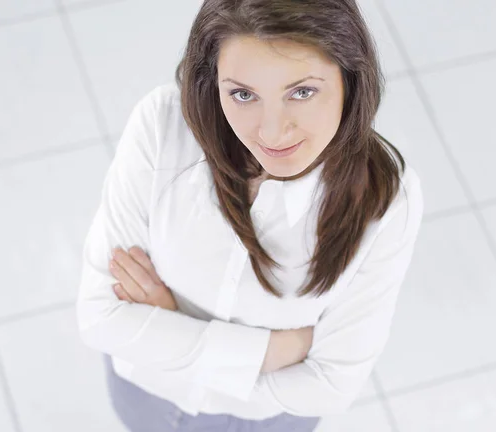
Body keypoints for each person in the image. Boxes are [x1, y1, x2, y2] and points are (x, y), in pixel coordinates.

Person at [75, 0, 424, 430]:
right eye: (243, 94)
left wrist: (169, 327)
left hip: (267, 421)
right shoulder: (163, 125)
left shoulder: (386, 197)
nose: (272, 132)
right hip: (146, 400)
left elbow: (332, 386)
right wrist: (274, 352)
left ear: (350, 78)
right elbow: (100, 319)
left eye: (302, 92)